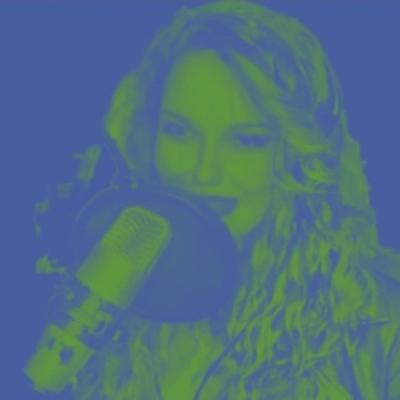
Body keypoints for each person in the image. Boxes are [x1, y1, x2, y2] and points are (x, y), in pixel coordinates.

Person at [32, 1, 400, 399]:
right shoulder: (105, 291)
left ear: (298, 152)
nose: (204, 173)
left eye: (247, 140)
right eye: (178, 132)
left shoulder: (381, 322)